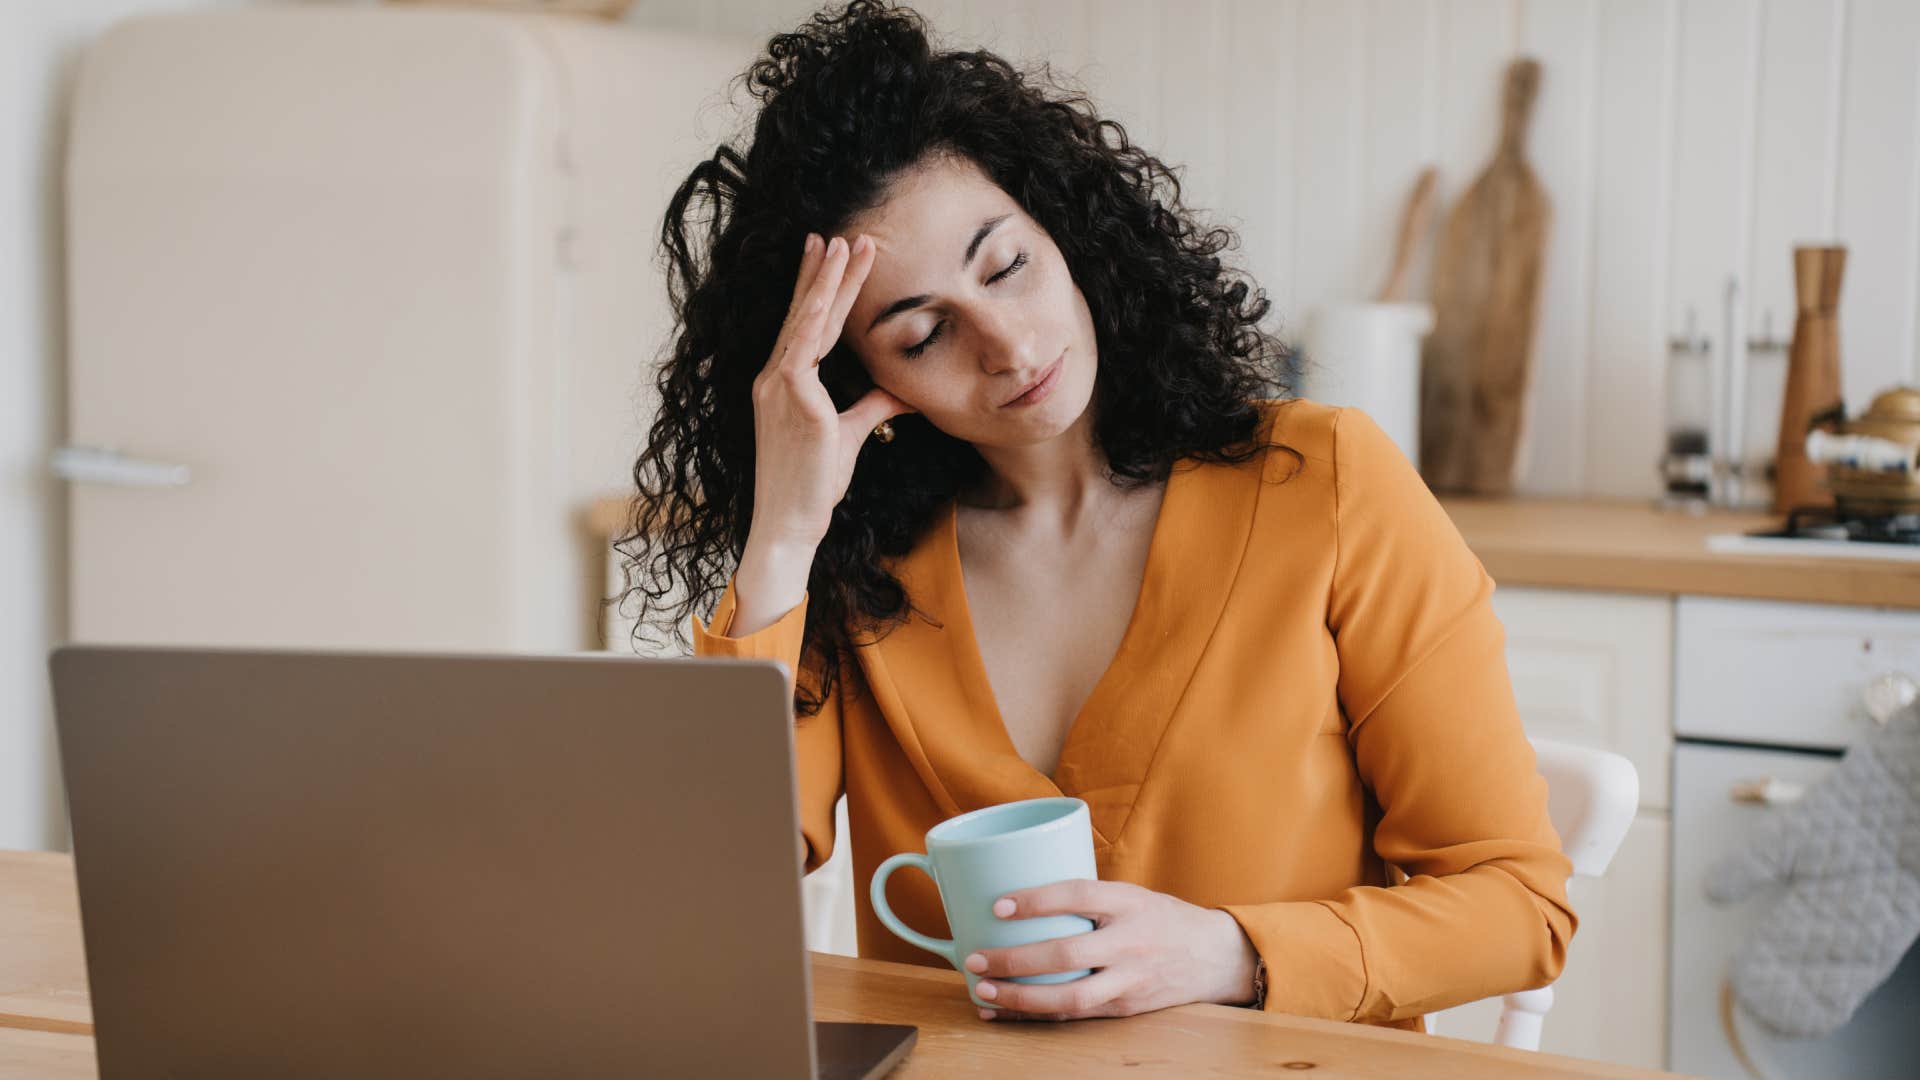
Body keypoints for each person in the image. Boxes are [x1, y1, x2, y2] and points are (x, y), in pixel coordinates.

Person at [616, 0, 1574, 1032]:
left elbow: (1517, 905)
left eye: (1007, 266)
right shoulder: (850, 569)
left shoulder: (1325, 484)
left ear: (1066, 231)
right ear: (859, 374)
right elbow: (705, 899)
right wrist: (784, 533)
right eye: (924, 330)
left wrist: (1232, 953)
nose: (1009, 348)